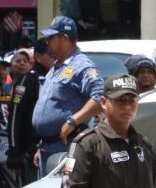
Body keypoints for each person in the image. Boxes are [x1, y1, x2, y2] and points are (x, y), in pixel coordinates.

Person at [32, 16, 103, 177]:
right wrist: (42, 143)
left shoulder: (81, 65)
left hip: (67, 146)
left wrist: (72, 121)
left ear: (64, 38)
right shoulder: (56, 67)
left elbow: (99, 98)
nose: (47, 41)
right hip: (47, 147)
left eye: (51, 37)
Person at [8, 42, 45, 184]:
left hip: (35, 147)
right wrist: (14, 150)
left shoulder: (31, 81)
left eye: (26, 61)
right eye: (18, 61)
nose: (22, 63)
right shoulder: (21, 84)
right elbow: (15, 117)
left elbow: (15, 117)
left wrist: (14, 150)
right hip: (29, 148)